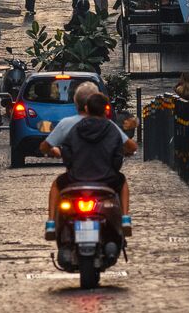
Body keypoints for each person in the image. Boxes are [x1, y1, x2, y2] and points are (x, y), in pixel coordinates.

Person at [40, 84, 137, 238]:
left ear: (82, 105)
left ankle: (51, 223)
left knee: (56, 185)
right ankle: (125, 218)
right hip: (107, 178)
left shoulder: (70, 125)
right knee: (122, 182)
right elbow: (130, 147)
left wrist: (57, 153)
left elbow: (55, 149)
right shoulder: (110, 126)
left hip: (75, 178)